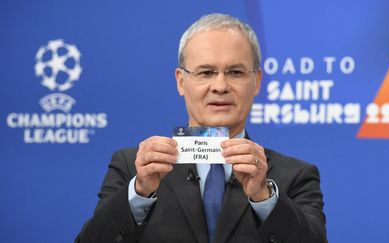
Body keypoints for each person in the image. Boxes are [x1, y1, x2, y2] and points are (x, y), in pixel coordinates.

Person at [75, 13, 327, 243]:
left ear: (257, 81)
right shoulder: (132, 168)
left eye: (235, 72)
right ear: (181, 81)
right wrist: (139, 192)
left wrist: (265, 198)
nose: (220, 85)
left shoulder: (295, 177)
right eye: (206, 72)